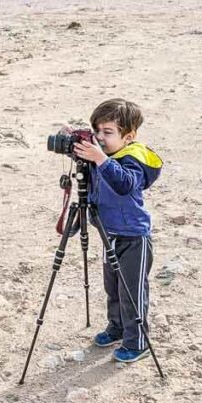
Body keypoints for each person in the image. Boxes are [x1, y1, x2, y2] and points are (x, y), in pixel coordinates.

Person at [72, 99, 163, 363]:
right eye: (96, 132)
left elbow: (125, 184)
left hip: (134, 237)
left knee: (131, 291)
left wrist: (100, 158)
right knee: (112, 287)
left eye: (108, 133)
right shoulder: (104, 156)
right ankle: (117, 327)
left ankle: (137, 342)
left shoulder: (132, 159)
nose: (100, 139)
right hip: (108, 234)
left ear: (129, 136)